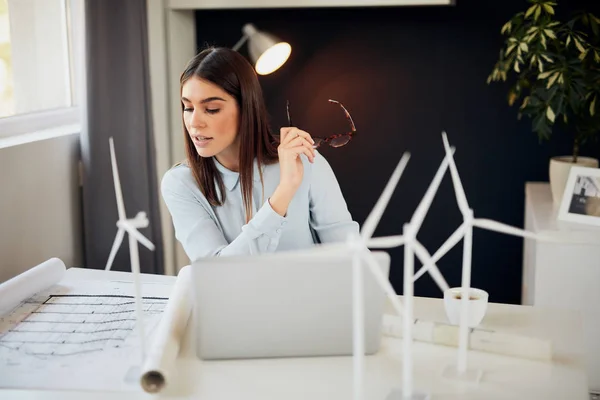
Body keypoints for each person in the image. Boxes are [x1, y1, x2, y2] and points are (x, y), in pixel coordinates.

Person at [161, 47, 359, 262]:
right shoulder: (180, 183)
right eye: (188, 108)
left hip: (310, 295)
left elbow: (350, 255)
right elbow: (216, 270)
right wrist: (284, 192)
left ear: (247, 108)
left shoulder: (305, 161)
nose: (194, 123)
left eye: (211, 109)